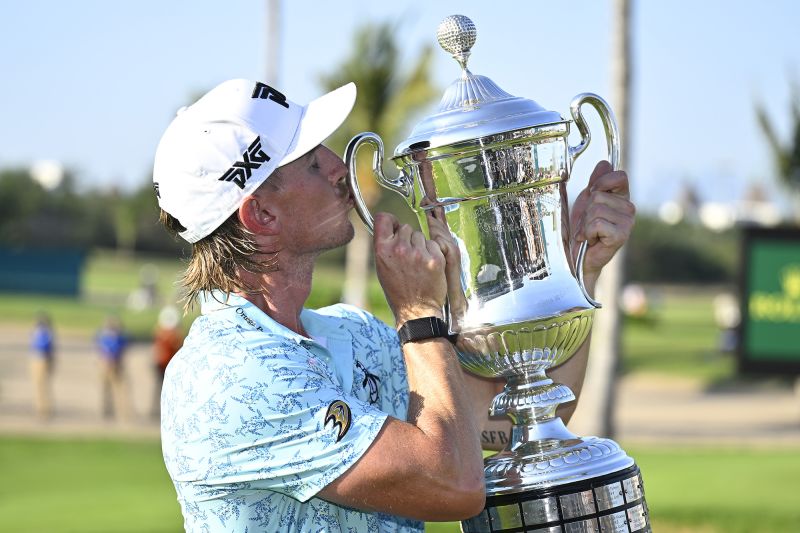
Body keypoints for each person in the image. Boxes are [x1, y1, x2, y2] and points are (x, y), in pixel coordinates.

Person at [153, 79, 634, 532]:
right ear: (261, 214)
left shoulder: (352, 333)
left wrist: (576, 269)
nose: (339, 167)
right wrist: (418, 316)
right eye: (312, 163)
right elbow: (456, 484)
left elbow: (504, 421)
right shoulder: (231, 377)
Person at [96, 315, 131, 420]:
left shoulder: (119, 338)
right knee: (106, 388)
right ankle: (107, 410)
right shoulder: (104, 337)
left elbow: (122, 345)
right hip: (106, 364)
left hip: (116, 364)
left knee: (119, 388)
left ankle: (122, 412)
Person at [151, 305, 183, 419]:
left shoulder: (164, 335)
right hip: (163, 365)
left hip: (165, 364)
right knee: (161, 388)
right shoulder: (165, 336)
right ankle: (157, 411)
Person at [30, 312, 55, 419]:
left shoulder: (46, 334)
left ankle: (46, 409)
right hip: (36, 359)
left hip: (43, 360)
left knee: (43, 386)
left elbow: (43, 346)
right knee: (38, 385)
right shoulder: (37, 333)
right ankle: (40, 408)